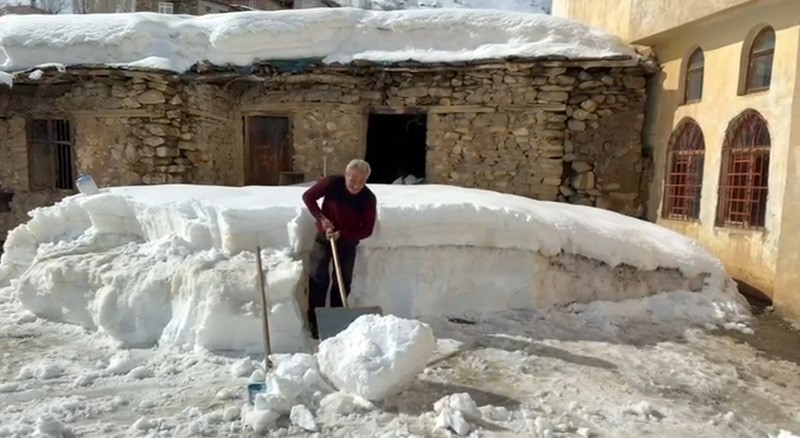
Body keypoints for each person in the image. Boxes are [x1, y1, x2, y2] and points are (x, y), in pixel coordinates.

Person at [301, 159, 377, 339]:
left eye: (361, 182)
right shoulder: (332, 183)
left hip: (348, 240)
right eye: (353, 180)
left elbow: (366, 229)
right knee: (318, 277)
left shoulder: (368, 198)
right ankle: (316, 321)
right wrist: (322, 219)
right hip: (324, 236)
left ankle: (336, 321)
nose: (356, 185)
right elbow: (308, 197)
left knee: (342, 281)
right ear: (346, 175)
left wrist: (342, 234)